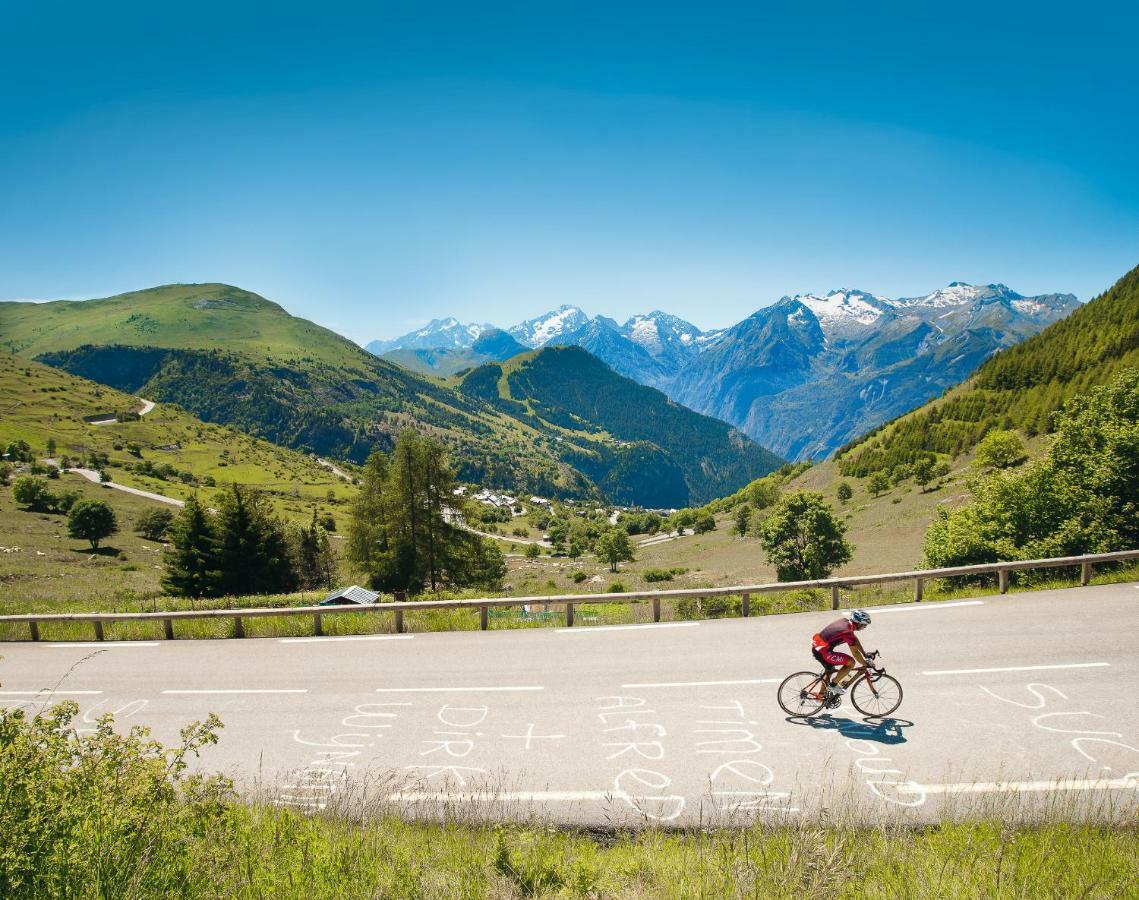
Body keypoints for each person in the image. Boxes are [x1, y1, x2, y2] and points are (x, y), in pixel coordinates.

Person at [811, 608, 871, 698]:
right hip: (823, 651)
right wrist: (865, 663)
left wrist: (864, 653)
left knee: (830, 670)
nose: (865, 627)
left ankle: (821, 695)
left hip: (818, 647)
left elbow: (855, 640)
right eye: (864, 625)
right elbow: (855, 653)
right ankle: (833, 686)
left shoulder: (845, 622)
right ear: (858, 623)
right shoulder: (847, 632)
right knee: (851, 663)